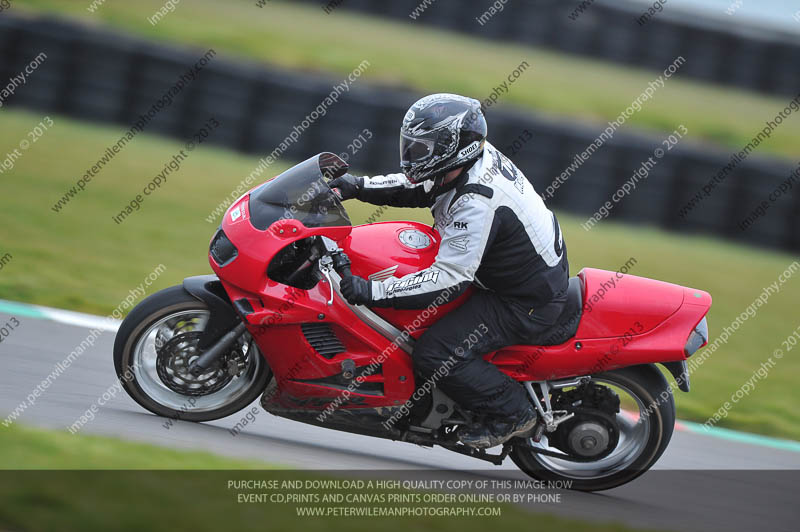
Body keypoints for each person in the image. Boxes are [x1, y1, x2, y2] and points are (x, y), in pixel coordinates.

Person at [328, 93, 569, 449]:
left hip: (525, 301)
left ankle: (513, 412)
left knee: (436, 353)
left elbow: (450, 280)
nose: (411, 156)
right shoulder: (465, 162)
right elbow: (419, 185)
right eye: (410, 146)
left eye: (421, 149)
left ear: (451, 148)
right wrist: (358, 186)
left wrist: (372, 291)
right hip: (516, 274)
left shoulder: (477, 201)